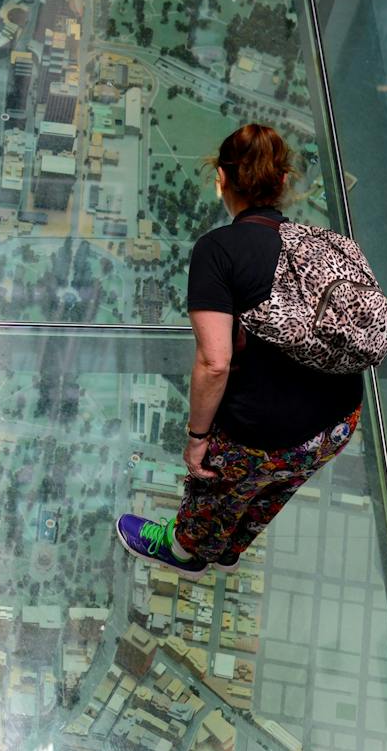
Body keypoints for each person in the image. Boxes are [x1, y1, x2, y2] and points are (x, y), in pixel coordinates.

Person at [117, 123, 364, 576]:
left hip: (265, 431)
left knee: (217, 486)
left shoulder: (219, 250)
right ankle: (231, 547)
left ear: (221, 180)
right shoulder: (325, 244)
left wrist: (196, 440)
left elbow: (215, 362)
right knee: (274, 487)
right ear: (284, 182)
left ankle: (185, 549)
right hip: (337, 423)